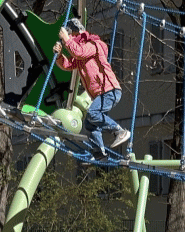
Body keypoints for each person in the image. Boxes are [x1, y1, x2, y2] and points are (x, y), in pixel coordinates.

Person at [53, 18, 131, 159]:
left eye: (70, 37)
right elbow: (68, 64)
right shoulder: (81, 55)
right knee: (90, 123)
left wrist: (66, 39)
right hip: (101, 93)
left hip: (109, 89)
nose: (67, 42)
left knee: (93, 114)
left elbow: (79, 52)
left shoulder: (93, 45)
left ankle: (119, 131)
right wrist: (59, 56)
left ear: (77, 35)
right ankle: (98, 152)